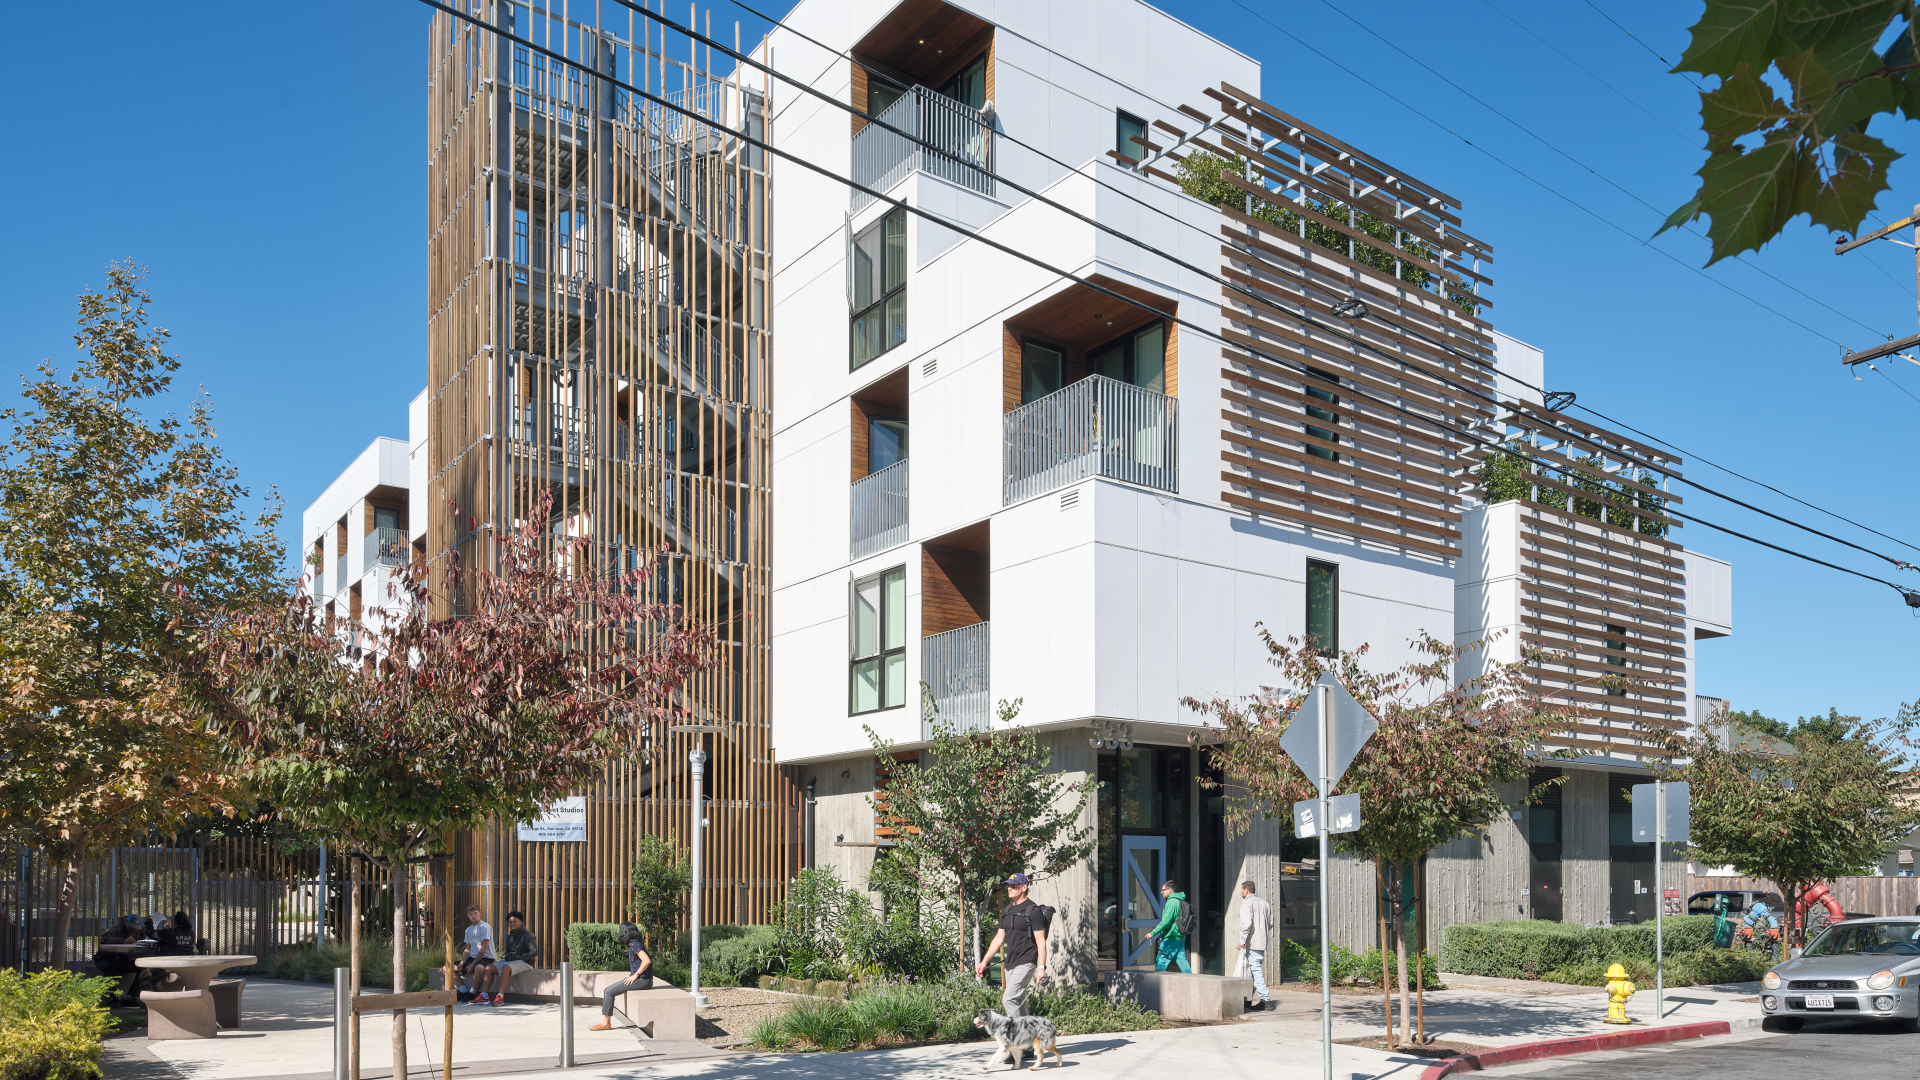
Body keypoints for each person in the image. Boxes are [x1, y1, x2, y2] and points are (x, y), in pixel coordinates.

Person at [974, 873, 1050, 1018]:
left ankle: (1016, 1034)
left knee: (1008, 999)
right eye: (1008, 885)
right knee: (1019, 1000)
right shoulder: (1007, 911)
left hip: (1027, 961)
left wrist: (1042, 968)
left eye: (1013, 886)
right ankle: (1029, 1036)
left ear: (1024, 887)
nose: (1009, 888)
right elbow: (999, 938)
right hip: (1010, 963)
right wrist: (984, 962)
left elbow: (1041, 941)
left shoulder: (1033, 911)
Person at [589, 925, 652, 1030]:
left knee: (609, 992)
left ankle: (605, 1023)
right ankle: (606, 1023)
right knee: (608, 990)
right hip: (643, 979)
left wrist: (635, 975)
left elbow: (646, 961)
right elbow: (640, 962)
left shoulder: (635, 945)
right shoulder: (636, 944)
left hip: (643, 981)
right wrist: (632, 974)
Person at [475, 911, 539, 1005]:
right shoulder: (510, 936)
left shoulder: (527, 935)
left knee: (506, 968)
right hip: (511, 961)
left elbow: (534, 951)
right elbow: (509, 951)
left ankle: (500, 997)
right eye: (510, 922)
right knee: (488, 968)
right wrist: (507, 957)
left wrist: (519, 957)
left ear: (520, 922)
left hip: (525, 963)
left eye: (514, 921)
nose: (512, 923)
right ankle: (484, 996)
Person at [1235, 880, 1273, 1010]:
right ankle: (1248, 999)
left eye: (1241, 890)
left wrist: (1242, 941)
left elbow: (1246, 924)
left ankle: (1266, 1000)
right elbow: (1271, 922)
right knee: (1252, 971)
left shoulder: (1247, 903)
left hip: (1252, 943)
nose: (1241, 892)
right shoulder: (1265, 904)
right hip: (1262, 942)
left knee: (1255, 972)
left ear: (1246, 890)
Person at [1150, 880, 1191, 973]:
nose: (1161, 892)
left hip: (1171, 937)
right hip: (1180, 936)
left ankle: (1158, 984)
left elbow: (1166, 922)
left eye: (1163, 890)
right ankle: (1192, 981)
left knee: (1161, 961)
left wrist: (1153, 933)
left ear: (1169, 890)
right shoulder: (1179, 900)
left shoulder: (1171, 902)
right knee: (1182, 960)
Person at [457, 905, 495, 1004]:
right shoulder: (468, 930)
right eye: (471, 914)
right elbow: (467, 949)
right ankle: (463, 990)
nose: (473, 916)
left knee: (478, 968)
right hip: (472, 957)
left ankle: (472, 992)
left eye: (475, 913)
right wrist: (462, 963)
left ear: (480, 914)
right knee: (447, 968)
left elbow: (483, 949)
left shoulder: (485, 927)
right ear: (468, 916)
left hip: (487, 957)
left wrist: (472, 964)